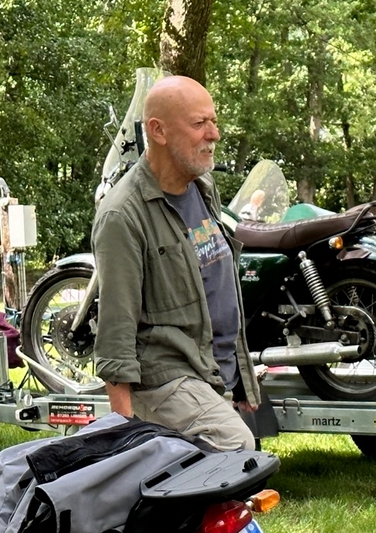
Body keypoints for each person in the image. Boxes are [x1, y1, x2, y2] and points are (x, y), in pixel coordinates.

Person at [92, 75, 261, 452]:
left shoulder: (202, 187)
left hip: (210, 373)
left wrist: (241, 380)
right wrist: (125, 436)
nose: (214, 134)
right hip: (164, 379)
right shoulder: (122, 215)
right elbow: (116, 332)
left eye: (214, 121)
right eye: (200, 123)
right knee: (236, 447)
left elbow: (215, 286)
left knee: (240, 472)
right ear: (158, 131)